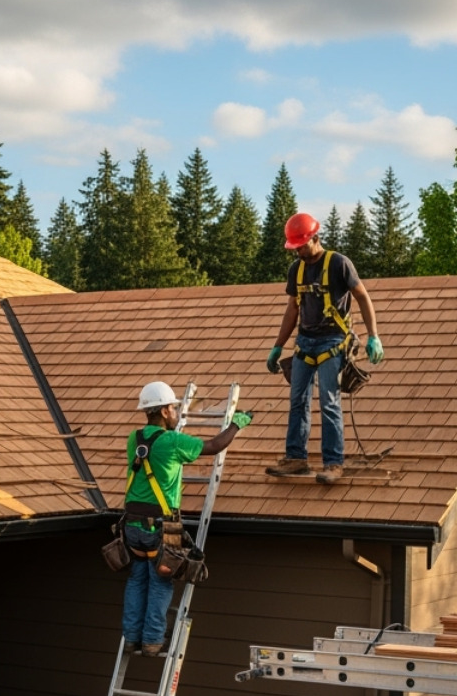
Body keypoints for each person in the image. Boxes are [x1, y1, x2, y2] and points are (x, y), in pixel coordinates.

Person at [121, 382, 248, 655]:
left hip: (132, 526)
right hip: (158, 528)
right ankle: (152, 641)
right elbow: (214, 445)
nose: (177, 413)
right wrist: (237, 424)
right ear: (165, 411)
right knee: (159, 582)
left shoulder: (134, 438)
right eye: (174, 408)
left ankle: (131, 638)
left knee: (137, 580)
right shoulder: (172, 441)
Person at [263, 211, 385, 486]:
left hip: (333, 341)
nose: (299, 253)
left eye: (302, 246)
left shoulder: (339, 263)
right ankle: (296, 458)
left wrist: (373, 336)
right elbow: (292, 309)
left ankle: (333, 463)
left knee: (329, 401)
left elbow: (363, 297)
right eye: (295, 249)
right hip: (305, 343)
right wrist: (277, 346)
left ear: (315, 238)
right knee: (298, 400)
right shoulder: (296, 270)